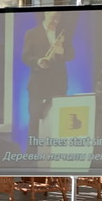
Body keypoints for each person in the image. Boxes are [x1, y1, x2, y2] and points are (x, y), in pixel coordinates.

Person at [22, 11, 75, 140]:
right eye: (53, 17)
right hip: (38, 84)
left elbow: (71, 55)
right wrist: (38, 62)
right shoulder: (32, 33)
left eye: (58, 18)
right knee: (35, 120)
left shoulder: (62, 34)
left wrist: (62, 51)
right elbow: (26, 57)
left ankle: (55, 149)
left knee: (58, 120)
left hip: (58, 84)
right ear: (46, 14)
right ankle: (32, 150)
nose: (56, 21)